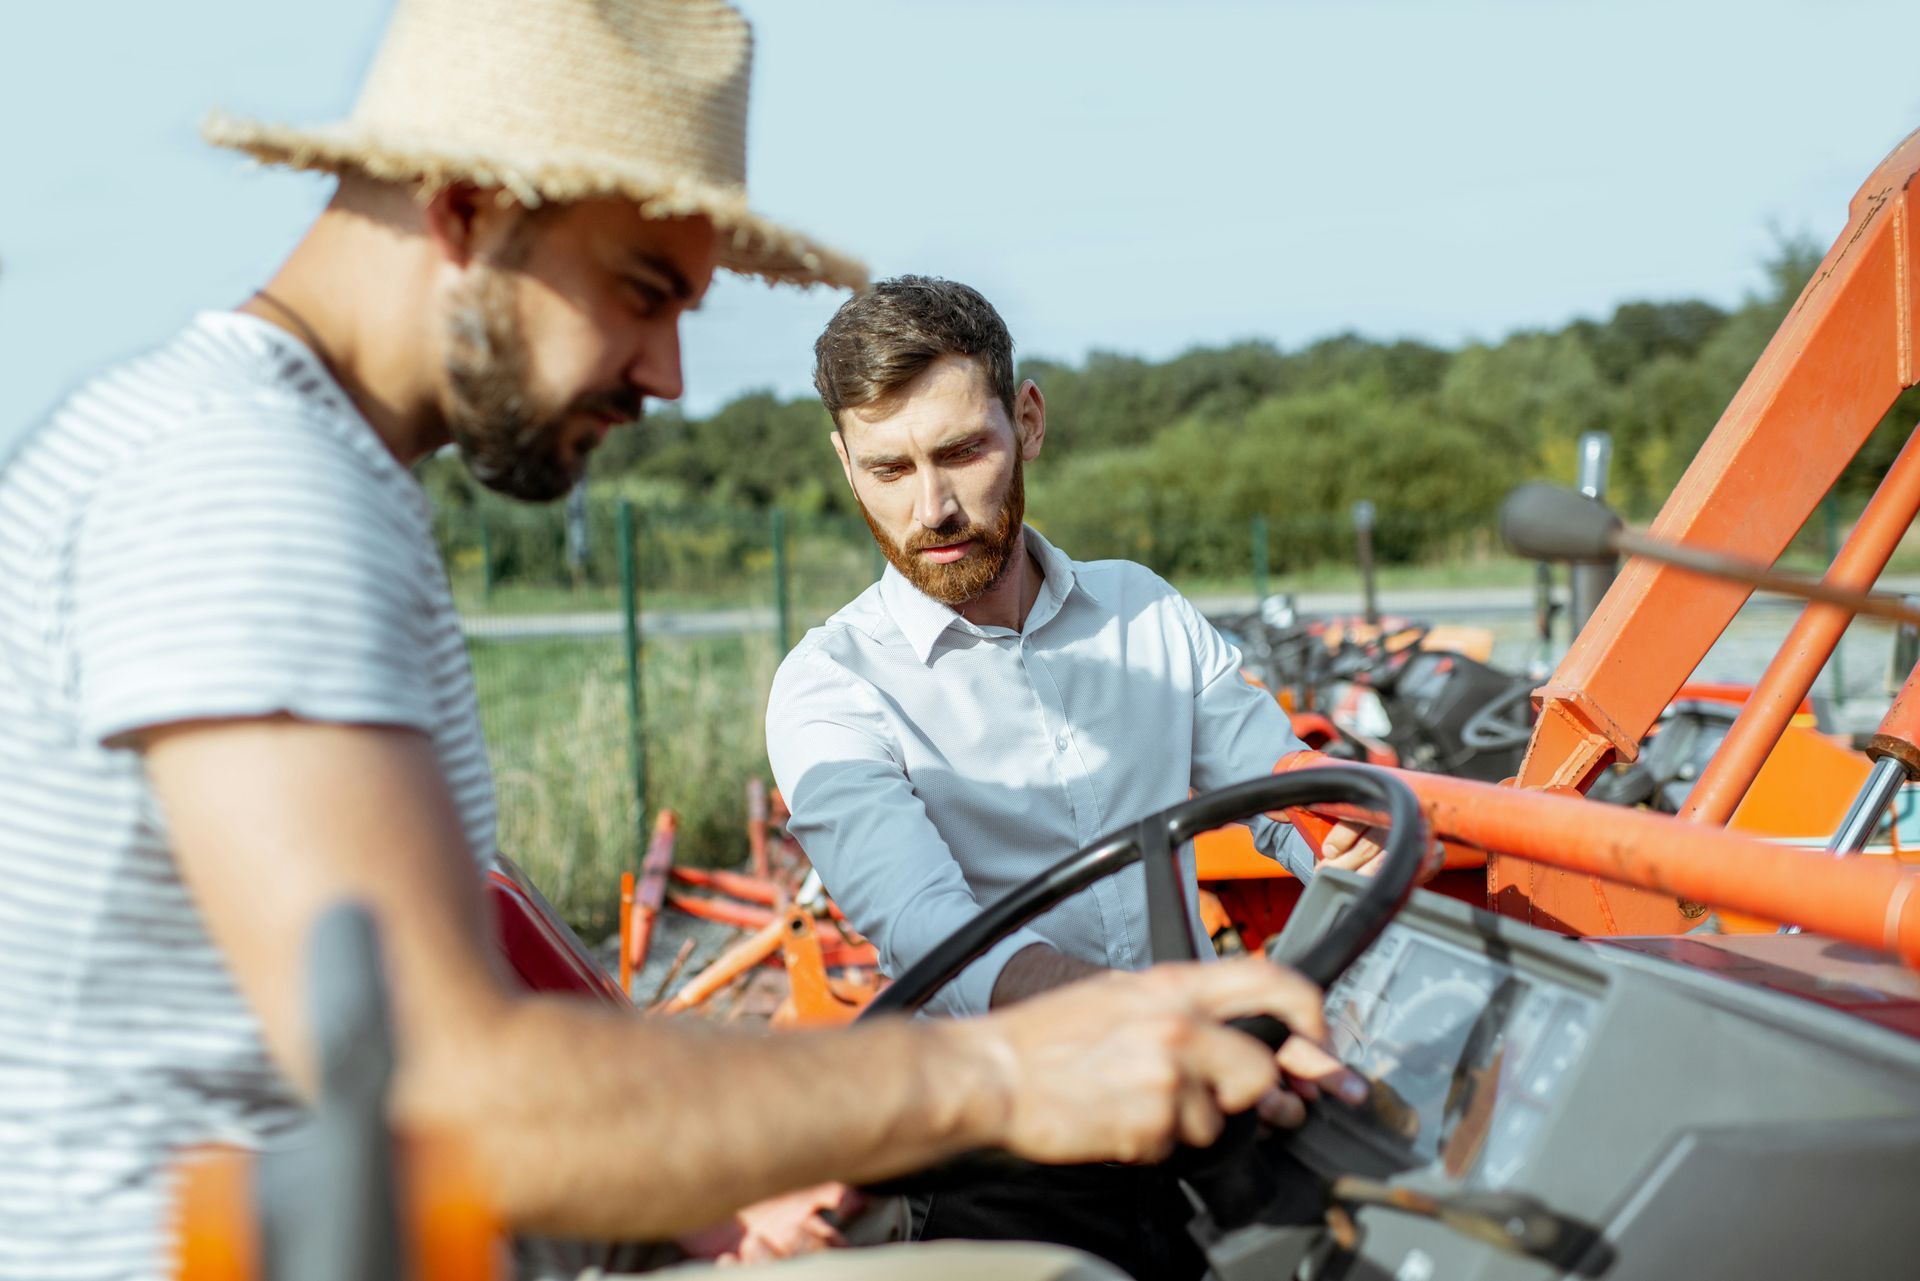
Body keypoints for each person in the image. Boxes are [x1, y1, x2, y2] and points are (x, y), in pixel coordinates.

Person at [0, 4, 1356, 1279]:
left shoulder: (287, 462)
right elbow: (446, 1086)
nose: (667, 375)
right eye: (643, 290)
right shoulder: (250, 484)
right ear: (464, 210)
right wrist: (1016, 1068)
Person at [765, 277, 1403, 1279]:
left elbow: (1281, 790)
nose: (930, 506)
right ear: (845, 463)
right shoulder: (828, 687)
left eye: (963, 451)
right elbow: (928, 931)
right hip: (1007, 1141)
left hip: (1203, 1101)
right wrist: (1149, 1015)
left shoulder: (1141, 610)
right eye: (889, 468)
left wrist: (1344, 823)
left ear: (1027, 420)